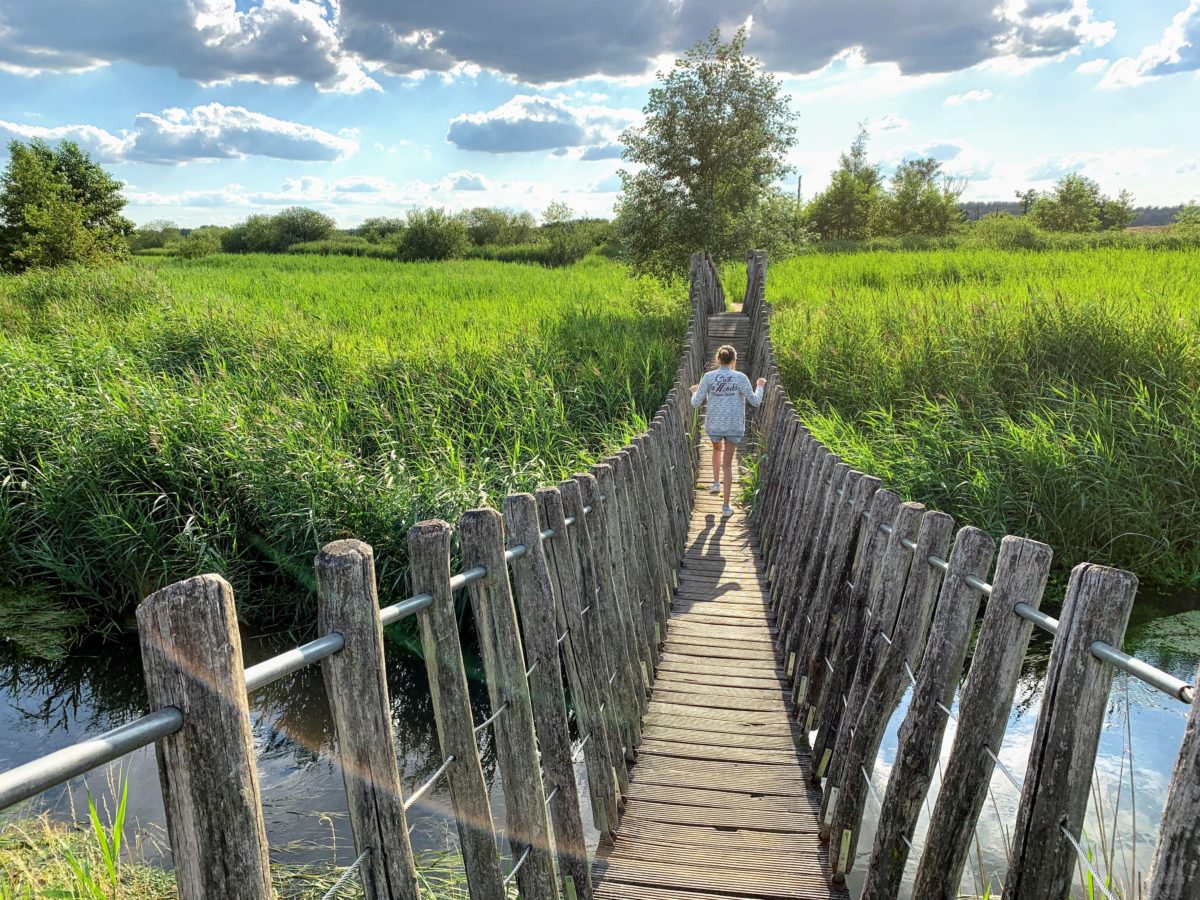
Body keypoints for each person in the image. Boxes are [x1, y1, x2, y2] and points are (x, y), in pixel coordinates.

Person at [690, 344, 765, 517]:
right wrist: (760, 386)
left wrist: (694, 392)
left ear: (718, 359)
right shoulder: (740, 377)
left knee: (717, 449)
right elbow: (755, 401)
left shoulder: (709, 377)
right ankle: (725, 507)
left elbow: (695, 403)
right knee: (728, 465)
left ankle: (716, 483)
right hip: (733, 426)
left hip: (714, 425)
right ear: (733, 360)